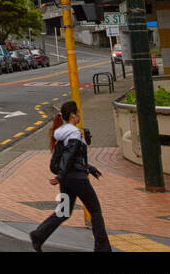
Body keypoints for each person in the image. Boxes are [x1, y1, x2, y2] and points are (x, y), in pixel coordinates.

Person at [30, 99, 112, 252]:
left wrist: (89, 168)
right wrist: (60, 176)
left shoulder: (62, 133)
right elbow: (69, 157)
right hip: (76, 179)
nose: (80, 115)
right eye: (78, 113)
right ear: (73, 115)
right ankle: (102, 248)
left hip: (68, 179)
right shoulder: (73, 133)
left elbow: (71, 157)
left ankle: (38, 235)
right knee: (95, 211)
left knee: (64, 211)